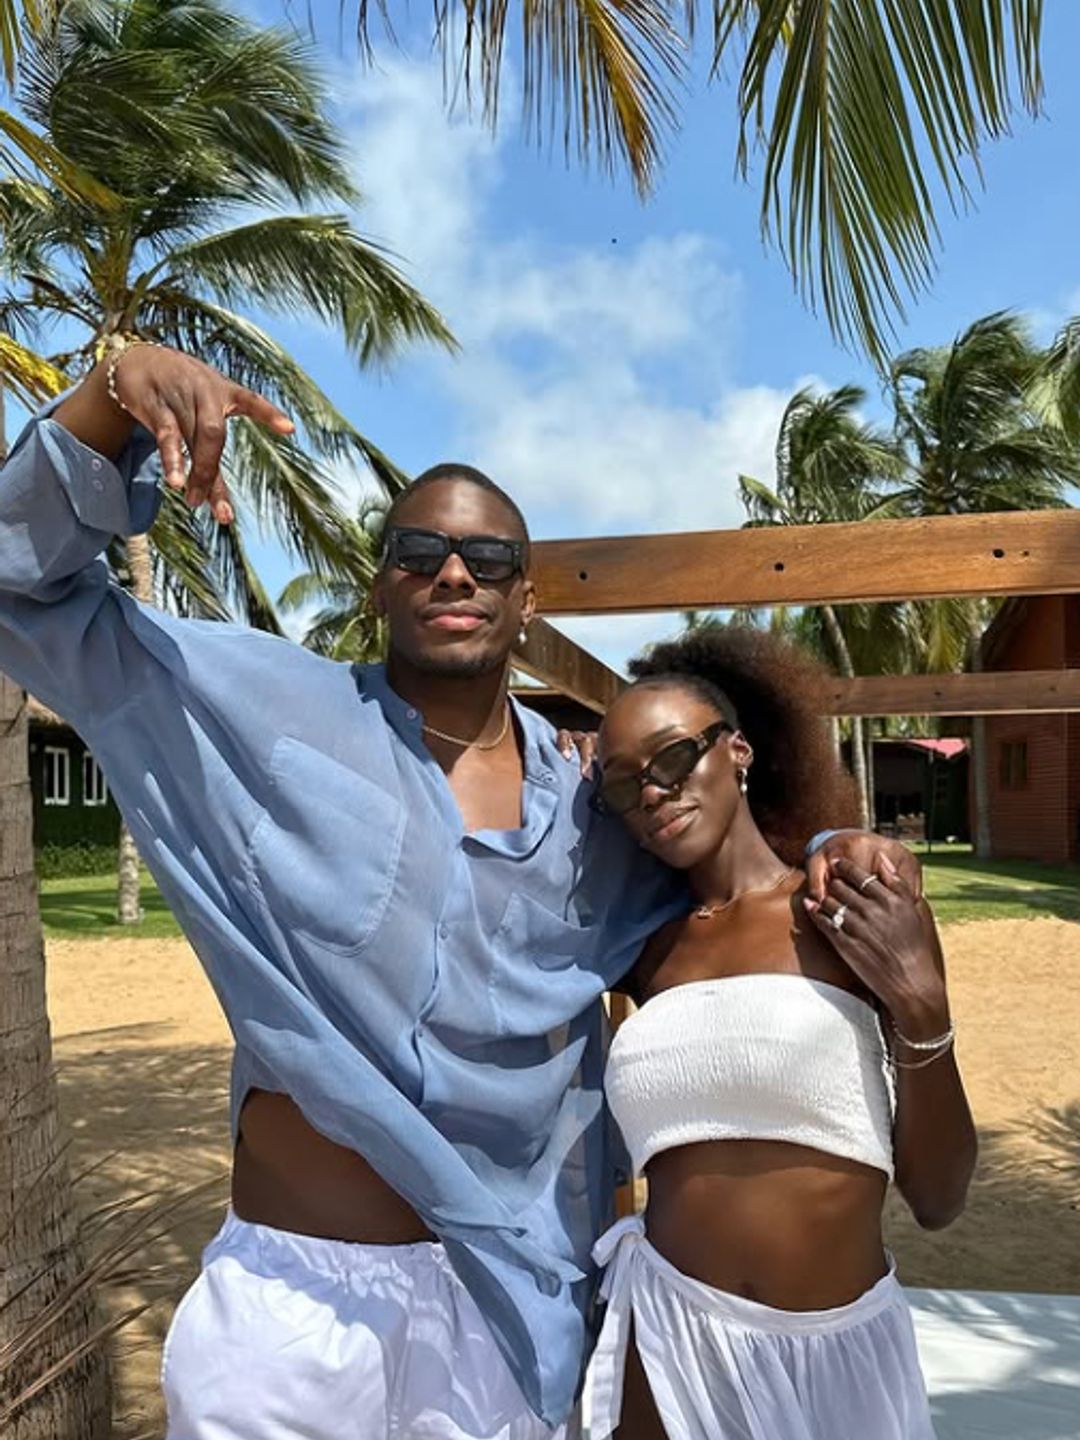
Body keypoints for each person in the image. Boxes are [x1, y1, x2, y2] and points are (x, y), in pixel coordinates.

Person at [0, 341, 918, 1440]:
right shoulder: (254, 708)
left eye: (487, 558)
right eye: (422, 549)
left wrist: (831, 844)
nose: (454, 574)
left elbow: (731, 875)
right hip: (298, 1311)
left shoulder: (593, 813)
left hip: (507, 1314)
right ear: (381, 581)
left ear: (525, 599)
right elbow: (29, 590)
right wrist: (109, 394)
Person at [584, 626, 978, 1440]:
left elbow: (938, 1197)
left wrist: (923, 1013)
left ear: (739, 752)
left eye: (671, 759)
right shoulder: (644, 950)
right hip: (664, 1344)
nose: (652, 792)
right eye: (623, 785)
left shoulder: (850, 909)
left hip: (838, 1354)